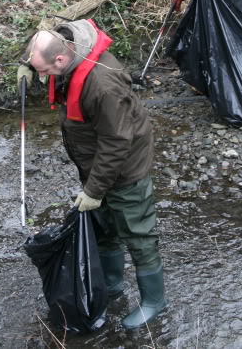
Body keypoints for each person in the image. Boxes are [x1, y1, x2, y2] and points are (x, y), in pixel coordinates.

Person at [17, 19, 167, 329]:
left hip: (125, 168)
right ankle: (112, 283)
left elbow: (116, 144)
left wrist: (94, 191)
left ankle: (154, 301)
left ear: (61, 59)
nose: (43, 78)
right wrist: (27, 66)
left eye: (43, 71)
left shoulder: (103, 85)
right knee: (103, 227)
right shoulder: (66, 41)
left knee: (138, 234)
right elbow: (43, 42)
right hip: (94, 162)